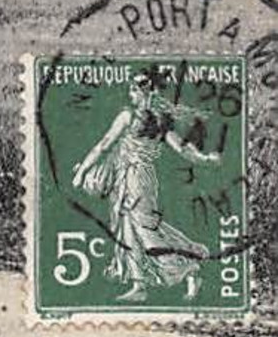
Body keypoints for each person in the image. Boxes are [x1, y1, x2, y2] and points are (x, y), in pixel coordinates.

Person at [70, 72, 218, 302]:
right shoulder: (162, 120)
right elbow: (183, 149)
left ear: (143, 92)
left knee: (146, 231)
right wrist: (205, 159)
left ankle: (189, 268)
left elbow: (103, 146)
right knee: (130, 228)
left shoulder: (128, 116)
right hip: (139, 177)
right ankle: (139, 285)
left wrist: (81, 172)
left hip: (135, 178)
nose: (130, 94)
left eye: (133, 90)